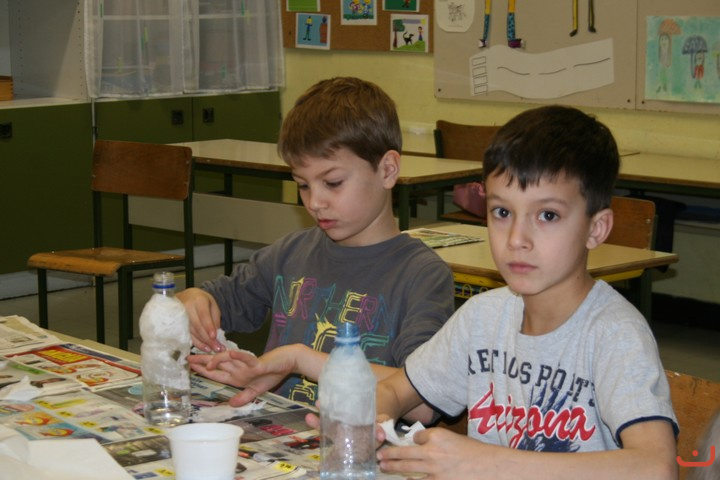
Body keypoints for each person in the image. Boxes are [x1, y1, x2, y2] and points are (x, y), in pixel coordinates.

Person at [372, 105, 679, 479]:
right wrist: (369, 417)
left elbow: (656, 467)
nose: (517, 239)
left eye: (547, 215)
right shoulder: (482, 317)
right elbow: (396, 392)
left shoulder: (615, 334)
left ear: (596, 229)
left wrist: (487, 463)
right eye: (502, 212)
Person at [180, 77, 455, 406]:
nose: (315, 202)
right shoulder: (289, 254)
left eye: (333, 182)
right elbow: (214, 300)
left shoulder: (422, 275)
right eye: (303, 185)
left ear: (387, 170)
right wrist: (194, 300)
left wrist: (300, 360)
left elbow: (424, 402)